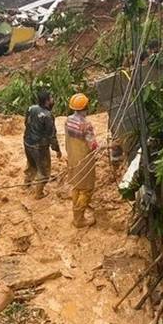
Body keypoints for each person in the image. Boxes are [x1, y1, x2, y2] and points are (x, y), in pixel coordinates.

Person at [65, 93, 98, 227]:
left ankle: (76, 215)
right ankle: (79, 220)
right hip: (84, 161)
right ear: (86, 106)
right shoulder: (86, 125)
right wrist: (110, 145)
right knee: (86, 190)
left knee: (77, 187)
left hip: (73, 158)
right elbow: (93, 146)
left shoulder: (68, 120)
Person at [23, 89, 61, 199]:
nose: (53, 100)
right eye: (51, 98)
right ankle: (38, 194)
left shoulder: (31, 108)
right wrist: (57, 149)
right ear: (47, 101)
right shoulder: (47, 116)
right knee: (44, 171)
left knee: (31, 164)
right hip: (39, 147)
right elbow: (51, 135)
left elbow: (26, 123)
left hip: (27, 141)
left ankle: (26, 184)